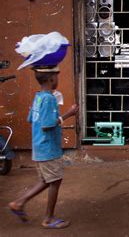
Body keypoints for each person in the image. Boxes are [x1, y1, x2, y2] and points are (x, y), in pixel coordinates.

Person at [8, 66, 78, 229]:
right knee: (55, 180)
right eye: (56, 76)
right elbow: (47, 125)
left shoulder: (38, 97)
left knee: (47, 180)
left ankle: (19, 203)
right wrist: (68, 114)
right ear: (52, 78)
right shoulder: (49, 99)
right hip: (49, 148)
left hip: (39, 146)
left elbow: (31, 118)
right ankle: (48, 218)